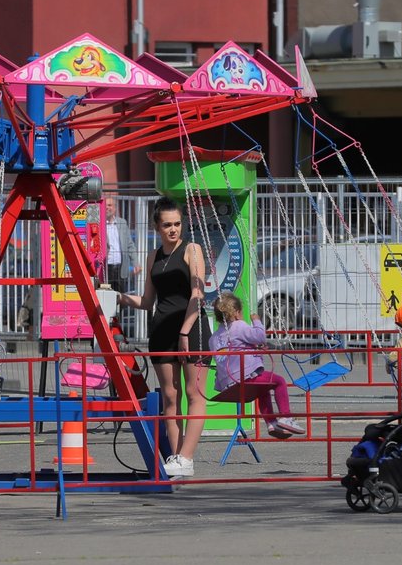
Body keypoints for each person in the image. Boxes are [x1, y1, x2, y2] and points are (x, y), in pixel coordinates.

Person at [117, 196, 211, 477]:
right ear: (157, 227)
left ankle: (187, 457)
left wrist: (185, 330)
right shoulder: (153, 256)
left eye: (177, 224)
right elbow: (147, 301)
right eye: (167, 225)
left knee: (195, 394)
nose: (173, 229)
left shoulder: (191, 249)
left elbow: (198, 294)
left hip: (190, 327)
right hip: (161, 330)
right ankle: (175, 458)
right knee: (170, 396)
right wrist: (117, 297)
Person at [210, 291, 304, 440]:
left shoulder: (214, 337)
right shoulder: (238, 326)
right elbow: (260, 336)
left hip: (227, 384)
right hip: (244, 377)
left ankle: (271, 423)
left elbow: (235, 347)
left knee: (263, 390)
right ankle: (286, 417)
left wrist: (254, 349)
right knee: (278, 381)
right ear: (236, 313)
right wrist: (257, 321)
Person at [104, 197, 141, 294]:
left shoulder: (122, 223)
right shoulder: (100, 224)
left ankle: (120, 310)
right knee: (106, 297)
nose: (107, 208)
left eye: (110, 205)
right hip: (106, 268)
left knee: (120, 298)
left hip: (121, 268)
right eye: (105, 205)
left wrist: (135, 263)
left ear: (115, 208)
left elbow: (130, 245)